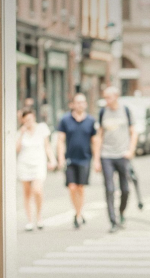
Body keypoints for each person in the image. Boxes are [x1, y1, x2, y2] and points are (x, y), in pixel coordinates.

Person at [94, 85, 138, 233]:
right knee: (109, 189)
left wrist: (131, 150)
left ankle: (122, 213)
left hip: (122, 155)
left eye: (108, 97)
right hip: (106, 155)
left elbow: (134, 132)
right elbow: (99, 136)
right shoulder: (103, 112)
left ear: (116, 96)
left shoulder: (125, 111)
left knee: (125, 189)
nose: (106, 100)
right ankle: (113, 222)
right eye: (105, 97)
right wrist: (96, 158)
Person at [57, 92, 98, 229]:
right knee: (72, 187)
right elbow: (60, 140)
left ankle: (78, 213)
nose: (80, 105)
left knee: (80, 187)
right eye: (78, 102)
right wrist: (60, 157)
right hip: (70, 158)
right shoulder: (65, 120)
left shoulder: (91, 121)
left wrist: (97, 159)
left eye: (82, 102)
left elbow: (95, 141)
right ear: (73, 104)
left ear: (85, 104)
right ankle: (78, 212)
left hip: (85, 158)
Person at [16, 108, 56, 230]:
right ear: (22, 121)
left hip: (38, 163)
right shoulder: (20, 132)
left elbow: (47, 146)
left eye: (30, 119)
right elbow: (16, 150)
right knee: (27, 193)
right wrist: (22, 133)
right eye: (25, 120)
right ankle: (29, 220)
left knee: (37, 190)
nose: (28, 121)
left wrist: (52, 160)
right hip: (24, 164)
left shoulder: (42, 128)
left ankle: (39, 216)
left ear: (33, 117)